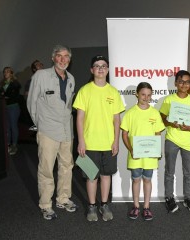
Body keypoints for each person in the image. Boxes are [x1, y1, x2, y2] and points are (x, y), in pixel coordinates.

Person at [27, 45, 77, 220]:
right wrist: (40, 124)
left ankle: (63, 198)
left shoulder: (71, 78)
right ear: (53, 58)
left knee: (67, 167)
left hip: (66, 131)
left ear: (69, 60)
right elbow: (31, 103)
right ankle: (46, 204)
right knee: (46, 169)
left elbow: (68, 105)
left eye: (66, 57)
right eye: (59, 56)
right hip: (47, 130)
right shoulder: (40, 76)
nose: (63, 60)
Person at [73, 55, 125, 222]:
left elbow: (117, 119)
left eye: (103, 66)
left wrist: (116, 141)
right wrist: (81, 141)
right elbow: (79, 118)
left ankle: (104, 204)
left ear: (108, 70)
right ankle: (92, 206)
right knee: (91, 176)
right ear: (92, 70)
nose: (101, 68)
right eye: (97, 66)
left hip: (108, 143)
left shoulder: (113, 92)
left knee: (105, 175)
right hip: (89, 143)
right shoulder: (84, 90)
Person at [160, 70, 190, 213]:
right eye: (181, 81)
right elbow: (163, 118)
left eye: (187, 81)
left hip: (188, 141)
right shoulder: (169, 99)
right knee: (169, 171)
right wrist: (171, 124)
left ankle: (188, 198)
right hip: (172, 139)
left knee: (188, 172)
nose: (184, 84)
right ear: (176, 83)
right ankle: (169, 198)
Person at [121, 82, 165, 221]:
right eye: (143, 94)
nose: (146, 98)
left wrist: (157, 149)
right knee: (136, 181)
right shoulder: (130, 113)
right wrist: (131, 150)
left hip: (150, 156)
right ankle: (135, 206)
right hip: (135, 155)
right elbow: (124, 134)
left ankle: (146, 207)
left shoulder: (154, 113)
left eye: (148, 95)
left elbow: (158, 133)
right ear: (137, 94)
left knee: (147, 180)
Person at [0, 67, 21, 155]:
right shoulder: (1, 84)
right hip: (5, 107)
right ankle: (7, 144)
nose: (5, 73)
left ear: (11, 73)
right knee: (7, 127)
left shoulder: (15, 83)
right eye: (4, 72)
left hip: (13, 107)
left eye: (8, 71)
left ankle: (14, 146)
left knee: (13, 126)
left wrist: (4, 95)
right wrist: (4, 95)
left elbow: (13, 95)